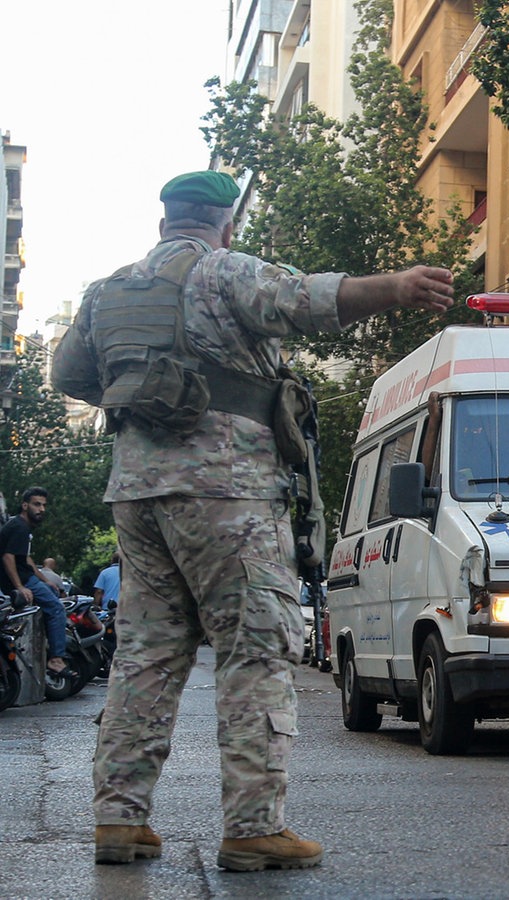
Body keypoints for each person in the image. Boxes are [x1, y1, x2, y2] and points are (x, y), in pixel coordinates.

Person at [51, 169, 454, 871]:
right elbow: (311, 301)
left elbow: (68, 377)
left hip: (138, 495)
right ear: (224, 224)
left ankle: (120, 821)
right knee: (255, 649)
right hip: (226, 494)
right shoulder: (224, 272)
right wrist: (397, 285)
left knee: (145, 656)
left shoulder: (109, 291)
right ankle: (252, 827)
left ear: (163, 223)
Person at [0, 488, 71, 676]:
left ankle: (49, 643)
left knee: (54, 593)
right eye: (36, 504)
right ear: (25, 505)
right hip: (22, 580)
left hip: (28, 577)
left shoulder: (23, 527)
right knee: (56, 609)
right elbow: (8, 557)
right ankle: (56, 659)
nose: (42, 509)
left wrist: (46, 580)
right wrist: (19, 587)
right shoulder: (19, 527)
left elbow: (26, 559)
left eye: (44, 505)